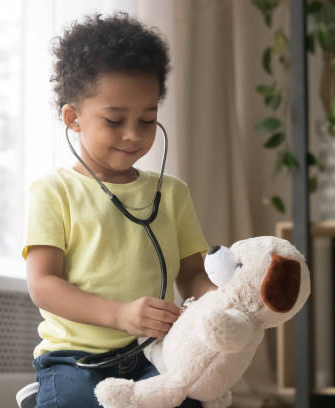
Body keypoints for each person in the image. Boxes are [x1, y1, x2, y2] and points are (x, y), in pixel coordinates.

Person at [23, 13, 216, 408]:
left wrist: (214, 302)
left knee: (191, 398)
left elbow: (193, 272)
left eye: (147, 119)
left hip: (154, 353)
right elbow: (43, 284)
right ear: (73, 118)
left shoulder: (172, 193)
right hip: (75, 359)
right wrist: (120, 315)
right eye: (114, 120)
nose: (133, 133)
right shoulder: (54, 191)